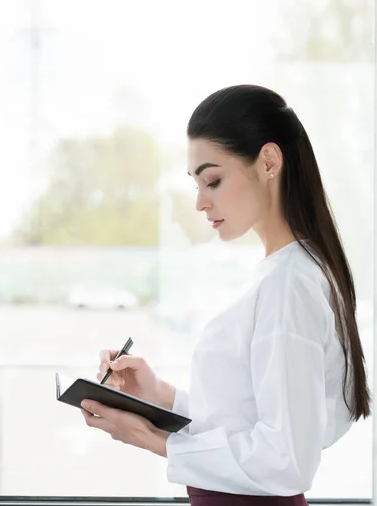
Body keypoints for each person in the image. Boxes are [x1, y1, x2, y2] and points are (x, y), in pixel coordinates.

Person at [80, 85, 371, 505]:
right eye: (196, 184)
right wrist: (160, 395)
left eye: (213, 180)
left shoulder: (289, 284)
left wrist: (153, 439)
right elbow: (248, 420)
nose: (200, 202)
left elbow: (286, 459)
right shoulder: (285, 274)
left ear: (269, 162)